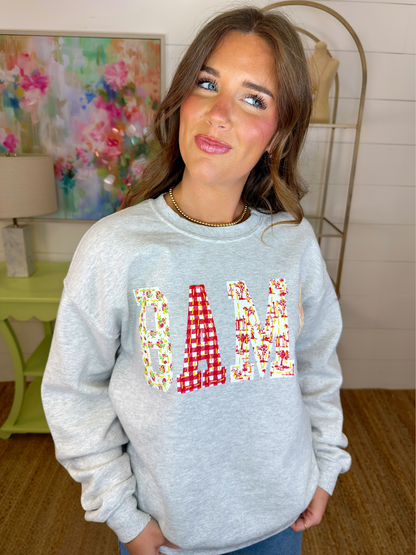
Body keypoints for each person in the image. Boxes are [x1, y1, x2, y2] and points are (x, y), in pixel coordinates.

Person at [41, 6, 352, 555]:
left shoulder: (293, 243)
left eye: (254, 99)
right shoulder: (114, 248)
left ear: (278, 134)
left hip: (283, 520)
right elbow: (74, 392)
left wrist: (326, 465)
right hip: (168, 536)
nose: (218, 113)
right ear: (181, 99)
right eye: (207, 84)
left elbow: (316, 367)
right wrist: (122, 514)